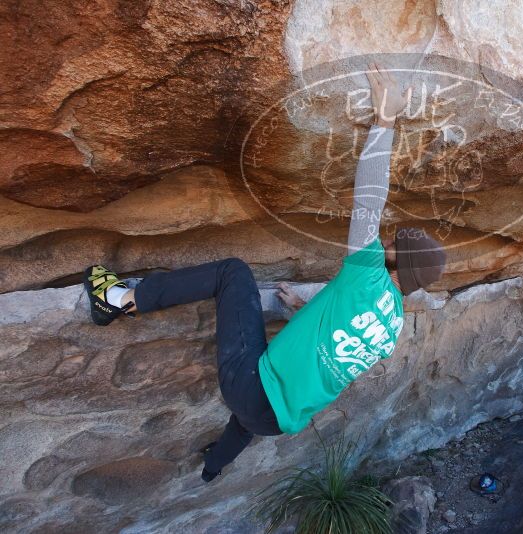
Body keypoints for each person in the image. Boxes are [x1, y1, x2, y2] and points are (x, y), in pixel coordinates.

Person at [82, 64, 447, 482]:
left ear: (398, 264)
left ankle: (119, 300)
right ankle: (213, 468)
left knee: (232, 273)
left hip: (251, 384)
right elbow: (338, 339)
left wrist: (387, 119)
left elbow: (369, 202)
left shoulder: (367, 274)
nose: (384, 242)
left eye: (393, 247)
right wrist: (300, 309)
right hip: (276, 422)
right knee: (245, 421)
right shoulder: (393, 325)